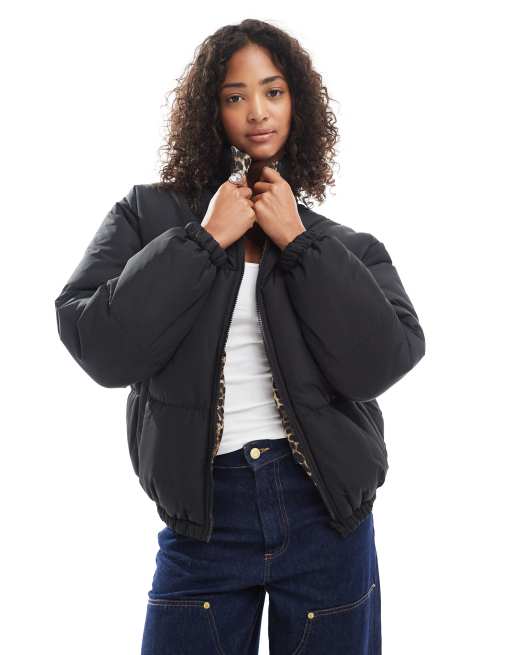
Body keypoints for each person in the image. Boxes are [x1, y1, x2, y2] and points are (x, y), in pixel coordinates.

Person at [54, 18, 426, 655]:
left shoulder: (343, 244)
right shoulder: (147, 216)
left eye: (273, 91)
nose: (257, 111)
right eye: (235, 95)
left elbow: (382, 362)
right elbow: (101, 347)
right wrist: (204, 239)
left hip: (325, 517)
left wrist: (299, 243)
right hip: (203, 522)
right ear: (211, 110)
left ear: (298, 104)